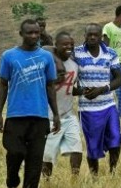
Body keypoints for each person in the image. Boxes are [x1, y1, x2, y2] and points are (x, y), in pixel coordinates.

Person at [0, 19, 60, 188]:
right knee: (15, 152)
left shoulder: (46, 57)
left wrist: (56, 114)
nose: (34, 36)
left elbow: (50, 86)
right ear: (21, 34)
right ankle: (12, 178)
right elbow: (3, 84)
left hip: (39, 116)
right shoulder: (9, 56)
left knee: (34, 162)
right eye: (29, 32)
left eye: (37, 32)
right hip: (16, 115)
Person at [73, 23, 121, 176]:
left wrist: (102, 89)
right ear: (85, 36)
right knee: (93, 146)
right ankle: (95, 177)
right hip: (87, 109)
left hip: (108, 104)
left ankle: (113, 172)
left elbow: (118, 79)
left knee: (116, 138)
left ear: (101, 36)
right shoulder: (76, 54)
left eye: (96, 35)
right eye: (89, 35)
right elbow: (67, 79)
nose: (92, 37)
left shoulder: (110, 53)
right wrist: (81, 91)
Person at [41, 32, 83, 180]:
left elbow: (71, 88)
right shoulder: (48, 63)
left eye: (71, 44)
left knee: (77, 147)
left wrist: (85, 91)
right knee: (47, 155)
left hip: (68, 114)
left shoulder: (74, 66)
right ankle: (46, 180)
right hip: (50, 116)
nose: (69, 47)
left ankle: (75, 179)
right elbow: (44, 48)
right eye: (64, 44)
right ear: (56, 46)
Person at [102, 6, 121, 117]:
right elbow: (105, 46)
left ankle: (120, 116)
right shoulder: (108, 27)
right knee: (108, 89)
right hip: (109, 63)